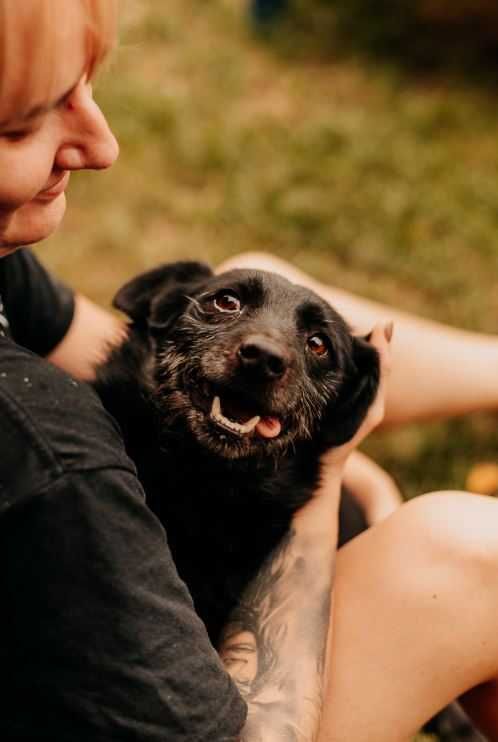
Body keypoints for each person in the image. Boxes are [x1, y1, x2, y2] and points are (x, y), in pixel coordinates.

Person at [2, 1, 498, 740]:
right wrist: (328, 477)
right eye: (25, 123)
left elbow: (111, 336)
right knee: (470, 554)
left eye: (86, 90)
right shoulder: (61, 461)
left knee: (252, 276)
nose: (104, 144)